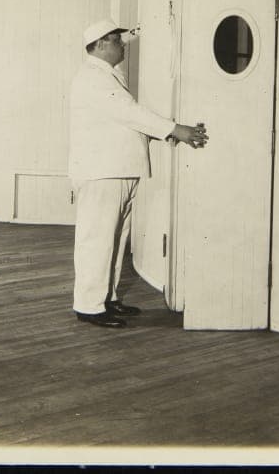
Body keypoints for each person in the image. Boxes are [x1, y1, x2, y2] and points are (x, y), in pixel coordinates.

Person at [68, 18, 208, 328]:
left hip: (118, 170)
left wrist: (170, 131)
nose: (123, 45)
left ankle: (108, 298)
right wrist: (176, 130)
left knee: (116, 240)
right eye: (117, 40)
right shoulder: (93, 78)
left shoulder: (106, 75)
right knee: (98, 239)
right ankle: (89, 305)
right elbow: (129, 113)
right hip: (103, 172)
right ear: (101, 44)